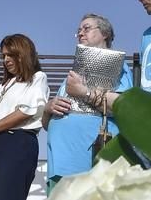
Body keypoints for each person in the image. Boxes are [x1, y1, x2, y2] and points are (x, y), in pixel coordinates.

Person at [43, 13, 132, 195]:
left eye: (87, 28)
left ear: (105, 33)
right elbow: (47, 124)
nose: (81, 33)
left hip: (87, 164)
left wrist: (83, 92)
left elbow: (123, 107)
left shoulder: (119, 66)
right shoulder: (71, 76)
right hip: (58, 164)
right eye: (78, 30)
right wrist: (47, 108)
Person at [0, 34, 49, 200]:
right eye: (3, 55)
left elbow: (26, 111)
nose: (6, 59)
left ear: (23, 54)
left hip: (16, 142)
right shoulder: (0, 87)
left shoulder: (37, 78)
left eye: (11, 55)